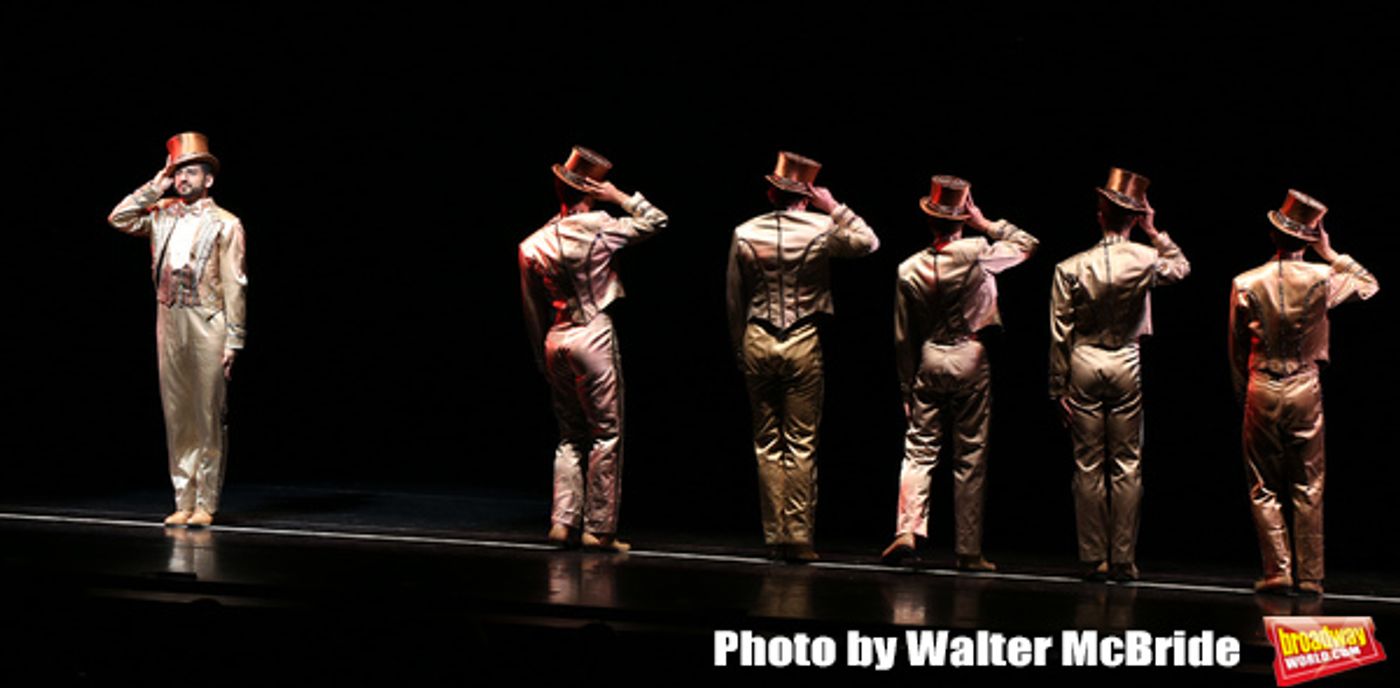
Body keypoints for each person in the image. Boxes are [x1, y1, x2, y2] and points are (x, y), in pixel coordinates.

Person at [726, 151, 879, 562]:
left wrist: (739, 347)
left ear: (770, 191)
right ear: (806, 196)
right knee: (801, 441)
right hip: (801, 339)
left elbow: (734, 298)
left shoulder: (745, 231)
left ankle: (775, 535)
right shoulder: (821, 226)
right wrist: (834, 206)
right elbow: (869, 242)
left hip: (757, 338)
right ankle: (797, 535)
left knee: (766, 443)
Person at [881, 176, 1038, 570]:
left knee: (918, 451)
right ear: (961, 219)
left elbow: (903, 337)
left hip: (930, 356)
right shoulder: (979, 251)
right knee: (970, 455)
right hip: (969, 353)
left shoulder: (907, 268)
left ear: (930, 221)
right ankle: (968, 550)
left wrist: (905, 387)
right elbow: (1028, 244)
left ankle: (907, 531)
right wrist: (985, 223)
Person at [519, 146, 669, 553]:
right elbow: (657, 220)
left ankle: (562, 522)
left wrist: (539, 355)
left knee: (569, 434)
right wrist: (619, 197)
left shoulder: (532, 243)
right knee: (606, 434)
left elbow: (531, 309)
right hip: (592, 334)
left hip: (556, 339)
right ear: (591, 189)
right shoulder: (601, 226)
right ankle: (598, 528)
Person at [1229, 190, 1378, 597]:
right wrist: (1330, 253)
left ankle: (1279, 570)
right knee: (1308, 483)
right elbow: (1369, 283)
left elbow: (1236, 347)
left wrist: (1242, 393)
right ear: (1309, 238)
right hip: (1305, 386)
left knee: (1264, 485)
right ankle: (1310, 575)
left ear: (1274, 234)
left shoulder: (1244, 282)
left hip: (1262, 384)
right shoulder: (1324, 277)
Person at [1049, 167, 1189, 581]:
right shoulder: (1146, 259)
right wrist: (1155, 230)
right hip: (1125, 361)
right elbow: (1181, 266)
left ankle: (1094, 558)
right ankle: (1124, 558)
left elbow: (1060, 332)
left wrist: (1058, 387)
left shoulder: (1070, 267)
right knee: (1127, 463)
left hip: (1084, 363)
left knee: (1088, 464)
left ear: (1099, 215)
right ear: (1133, 218)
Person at [108, 132, 247, 528]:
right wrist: (157, 185)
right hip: (169, 320)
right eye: (178, 171)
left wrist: (234, 338)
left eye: (191, 171)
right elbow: (119, 217)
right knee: (177, 413)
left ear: (209, 179)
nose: (184, 178)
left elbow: (235, 283)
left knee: (207, 413)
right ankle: (182, 499)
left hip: (208, 321)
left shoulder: (226, 224)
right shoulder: (163, 213)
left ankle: (206, 501)